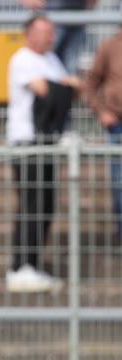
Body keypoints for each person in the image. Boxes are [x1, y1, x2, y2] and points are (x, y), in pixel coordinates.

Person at [6, 14, 80, 293]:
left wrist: (61, 88)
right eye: (45, 32)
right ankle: (19, 267)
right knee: (31, 203)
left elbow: (71, 90)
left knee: (46, 205)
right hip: (27, 144)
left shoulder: (51, 60)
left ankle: (32, 265)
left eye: (52, 31)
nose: (51, 37)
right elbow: (47, 91)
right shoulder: (22, 59)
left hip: (48, 143)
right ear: (29, 34)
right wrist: (65, 87)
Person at [84, 23, 122, 242]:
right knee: (119, 184)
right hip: (117, 124)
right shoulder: (109, 46)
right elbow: (90, 83)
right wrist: (102, 112)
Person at [18, 1, 97, 74]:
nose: (51, 38)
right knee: (45, 63)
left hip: (77, 17)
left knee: (67, 67)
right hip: (51, 14)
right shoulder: (23, 58)